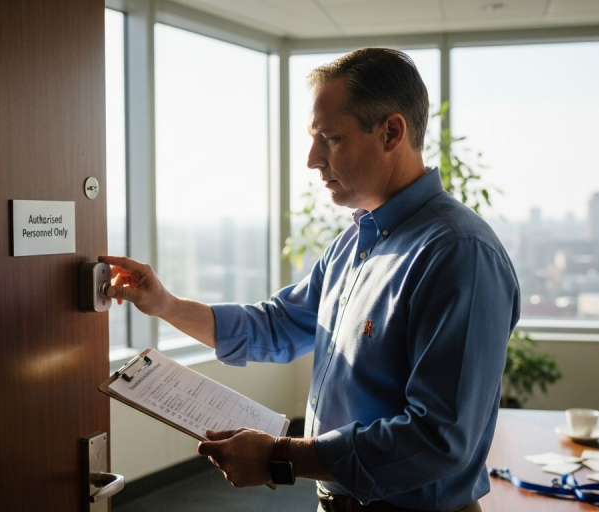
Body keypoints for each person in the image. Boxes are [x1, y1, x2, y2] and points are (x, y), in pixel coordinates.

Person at [101, 47, 520, 512]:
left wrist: (279, 456)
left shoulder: (459, 254)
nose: (312, 159)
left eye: (330, 138)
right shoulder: (353, 244)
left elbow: (438, 440)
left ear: (391, 132)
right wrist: (165, 305)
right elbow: (276, 326)